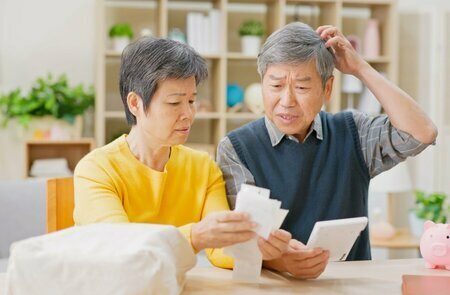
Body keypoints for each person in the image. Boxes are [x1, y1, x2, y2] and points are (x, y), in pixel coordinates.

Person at [217, 22, 437, 278]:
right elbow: (245, 240)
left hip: (351, 290)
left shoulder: (353, 132)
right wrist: (284, 262)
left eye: (301, 87)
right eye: (275, 86)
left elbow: (423, 132)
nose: (286, 101)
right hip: (276, 291)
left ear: (327, 89)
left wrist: (360, 68)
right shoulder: (236, 148)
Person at [74, 37, 291, 268]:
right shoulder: (97, 169)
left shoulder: (202, 167)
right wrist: (195, 236)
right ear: (135, 103)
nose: (188, 114)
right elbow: (122, 251)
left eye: (191, 100)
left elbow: (220, 250)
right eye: (174, 103)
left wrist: (261, 248)